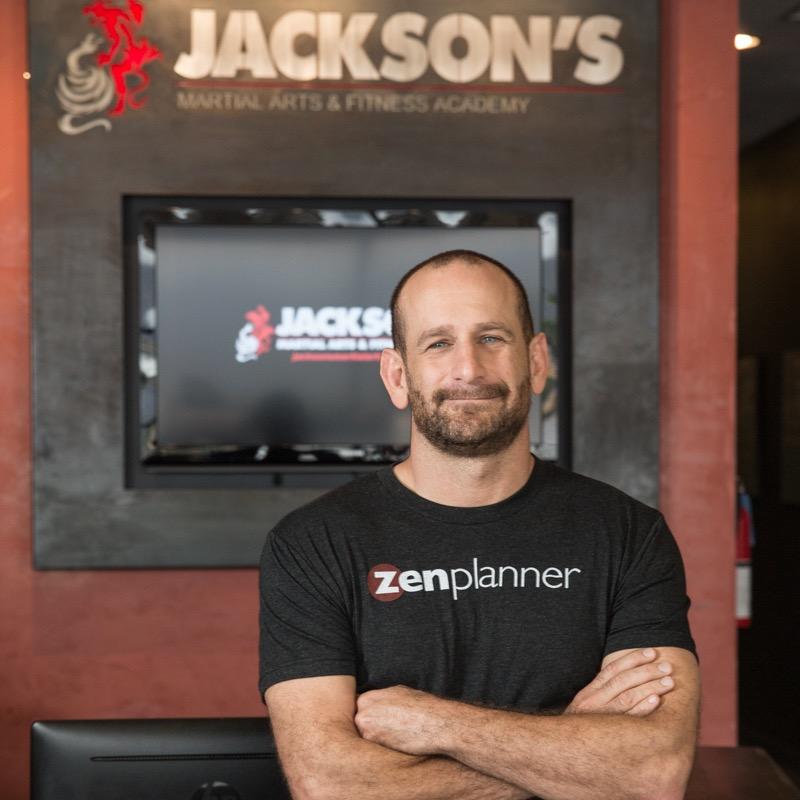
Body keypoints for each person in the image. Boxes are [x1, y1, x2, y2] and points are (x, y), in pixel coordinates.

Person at [259, 249, 700, 800]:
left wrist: (436, 723)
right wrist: (571, 740)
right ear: (397, 375)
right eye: (438, 343)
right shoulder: (313, 544)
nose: (468, 368)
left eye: (492, 337)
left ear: (536, 362)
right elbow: (328, 785)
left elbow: (654, 772)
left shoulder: (630, 533)